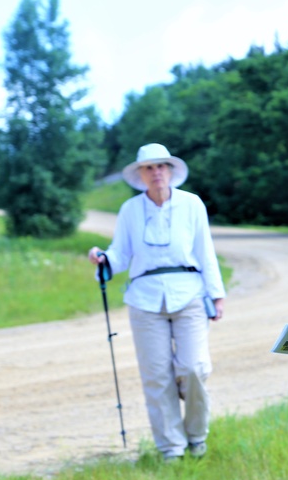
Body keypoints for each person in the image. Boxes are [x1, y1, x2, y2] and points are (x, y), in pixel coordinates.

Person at [88, 143, 225, 462]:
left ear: (170, 170)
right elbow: (120, 253)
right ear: (140, 174)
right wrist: (103, 259)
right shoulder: (130, 210)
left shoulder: (192, 204)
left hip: (189, 293)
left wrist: (216, 294)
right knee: (156, 375)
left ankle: (196, 436)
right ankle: (171, 449)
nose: (156, 172)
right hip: (144, 299)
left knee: (193, 367)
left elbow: (206, 251)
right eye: (149, 168)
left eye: (161, 166)